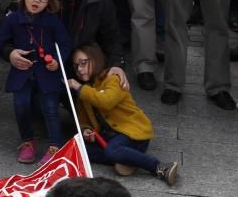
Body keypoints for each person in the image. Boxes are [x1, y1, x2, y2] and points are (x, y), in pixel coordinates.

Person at [0, 0, 72, 166]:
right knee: (20, 106)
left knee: (51, 108)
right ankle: (27, 141)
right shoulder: (14, 19)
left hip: (47, 72)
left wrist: (57, 60)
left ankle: (55, 145)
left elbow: (65, 44)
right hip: (22, 72)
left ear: (49, 1)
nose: (36, 0)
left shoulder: (52, 21)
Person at [67, 44, 180, 186]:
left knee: (111, 150)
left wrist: (78, 87)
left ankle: (159, 167)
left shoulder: (112, 78)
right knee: (83, 151)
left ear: (95, 59)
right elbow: (83, 120)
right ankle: (127, 158)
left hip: (133, 135)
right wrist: (86, 130)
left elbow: (106, 101)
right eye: (76, 66)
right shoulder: (85, 90)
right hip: (111, 138)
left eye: (83, 63)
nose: (79, 69)